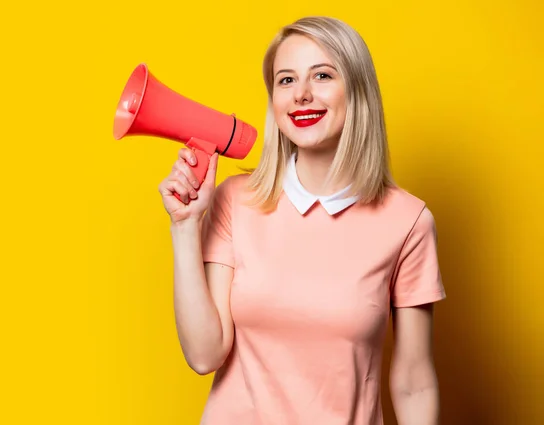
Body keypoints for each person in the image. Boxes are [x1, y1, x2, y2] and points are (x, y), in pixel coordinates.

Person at [158, 15, 446, 425]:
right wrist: (185, 225)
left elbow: (414, 380)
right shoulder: (234, 201)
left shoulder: (408, 221)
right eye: (286, 80)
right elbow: (204, 355)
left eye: (323, 75)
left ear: (358, 90)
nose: (302, 95)